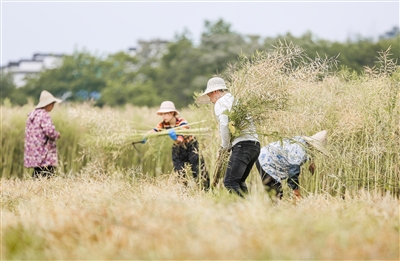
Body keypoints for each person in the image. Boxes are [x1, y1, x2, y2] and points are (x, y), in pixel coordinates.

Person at [196, 77, 260, 197]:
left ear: (215, 92)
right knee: (239, 181)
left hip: (243, 145)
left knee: (230, 182)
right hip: (254, 146)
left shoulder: (221, 102)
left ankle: (245, 210)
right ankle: (247, 209)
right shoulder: (236, 100)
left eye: (209, 95)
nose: (211, 100)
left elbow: (224, 124)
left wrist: (225, 146)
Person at [148, 101, 210, 190]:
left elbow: (181, 138)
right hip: (178, 148)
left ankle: (205, 189)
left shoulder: (182, 121)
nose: (163, 116)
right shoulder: (164, 124)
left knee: (198, 169)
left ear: (172, 113)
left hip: (191, 146)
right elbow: (154, 130)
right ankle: (184, 191)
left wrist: (175, 137)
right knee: (179, 171)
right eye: (162, 114)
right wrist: (146, 136)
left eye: (166, 114)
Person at [255, 130, 328, 199]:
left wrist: (312, 161)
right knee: (276, 194)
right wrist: (296, 192)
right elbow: (292, 174)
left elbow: (310, 151)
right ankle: (272, 210)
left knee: (276, 193)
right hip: (266, 160)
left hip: (265, 155)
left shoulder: (301, 142)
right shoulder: (299, 152)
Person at [24, 90, 62, 178]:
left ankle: (35, 190)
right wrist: (57, 135)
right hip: (45, 152)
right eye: (52, 103)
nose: (53, 106)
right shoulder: (44, 115)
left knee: (37, 172)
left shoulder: (32, 115)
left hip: (34, 151)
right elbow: (49, 131)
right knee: (48, 173)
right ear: (47, 104)